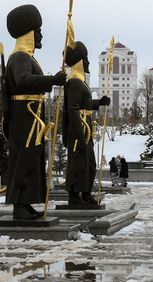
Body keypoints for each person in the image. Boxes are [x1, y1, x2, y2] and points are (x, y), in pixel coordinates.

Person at [4, 5, 67, 219]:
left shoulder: (29, 58)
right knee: (24, 157)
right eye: (36, 31)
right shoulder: (19, 57)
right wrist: (52, 80)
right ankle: (19, 205)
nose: (40, 35)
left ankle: (26, 202)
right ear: (28, 33)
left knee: (33, 158)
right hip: (24, 116)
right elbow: (22, 81)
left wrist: (50, 81)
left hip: (31, 115)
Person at [63, 41, 110, 206]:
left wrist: (100, 103)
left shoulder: (81, 83)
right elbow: (73, 109)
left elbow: (84, 105)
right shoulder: (74, 82)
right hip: (79, 130)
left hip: (85, 128)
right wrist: (79, 134)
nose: (88, 62)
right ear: (78, 62)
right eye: (85, 59)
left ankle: (85, 193)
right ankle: (74, 196)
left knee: (89, 164)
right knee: (78, 163)